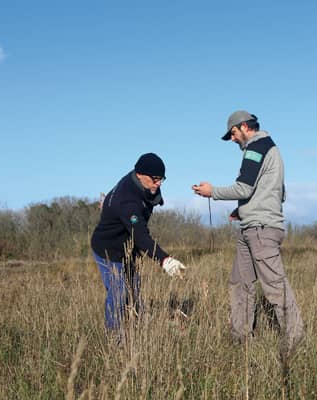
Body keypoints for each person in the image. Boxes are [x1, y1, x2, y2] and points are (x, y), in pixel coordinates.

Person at [192, 110, 304, 351]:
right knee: (240, 282)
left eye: (232, 133)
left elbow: (244, 188)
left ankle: (294, 340)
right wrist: (241, 210)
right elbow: (275, 192)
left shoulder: (256, 148)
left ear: (244, 127)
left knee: (274, 286)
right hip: (252, 226)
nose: (232, 139)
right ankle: (241, 339)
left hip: (261, 230)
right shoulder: (269, 149)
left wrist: (213, 192)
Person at [91, 153, 186, 333]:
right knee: (118, 292)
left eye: (162, 179)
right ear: (140, 174)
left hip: (127, 247)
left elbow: (152, 196)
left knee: (134, 287)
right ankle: (115, 338)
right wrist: (165, 260)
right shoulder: (127, 201)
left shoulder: (142, 182)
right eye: (155, 179)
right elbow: (141, 236)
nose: (158, 184)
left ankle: (139, 326)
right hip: (108, 250)